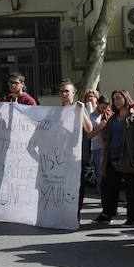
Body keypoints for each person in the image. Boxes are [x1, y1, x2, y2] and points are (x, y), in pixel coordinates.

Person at [98, 90, 134, 225]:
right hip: (112, 158)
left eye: (119, 98)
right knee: (110, 188)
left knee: (133, 191)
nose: (116, 101)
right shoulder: (113, 118)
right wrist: (104, 156)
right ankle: (107, 213)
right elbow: (107, 138)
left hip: (129, 158)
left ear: (126, 98)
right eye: (114, 99)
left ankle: (132, 218)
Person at [59, 80, 94, 220]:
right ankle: (64, 215)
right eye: (61, 91)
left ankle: (75, 215)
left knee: (77, 187)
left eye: (67, 91)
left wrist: (81, 112)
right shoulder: (57, 111)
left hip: (77, 156)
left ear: (73, 93)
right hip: (61, 156)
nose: (64, 94)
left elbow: (89, 129)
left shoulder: (79, 108)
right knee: (63, 186)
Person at [89, 94, 113, 205]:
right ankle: (103, 198)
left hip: (110, 147)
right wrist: (100, 127)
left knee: (110, 173)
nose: (104, 110)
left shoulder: (109, 114)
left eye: (106, 107)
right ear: (97, 104)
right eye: (102, 107)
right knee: (100, 174)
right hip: (97, 148)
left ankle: (110, 197)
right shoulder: (91, 117)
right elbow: (89, 136)